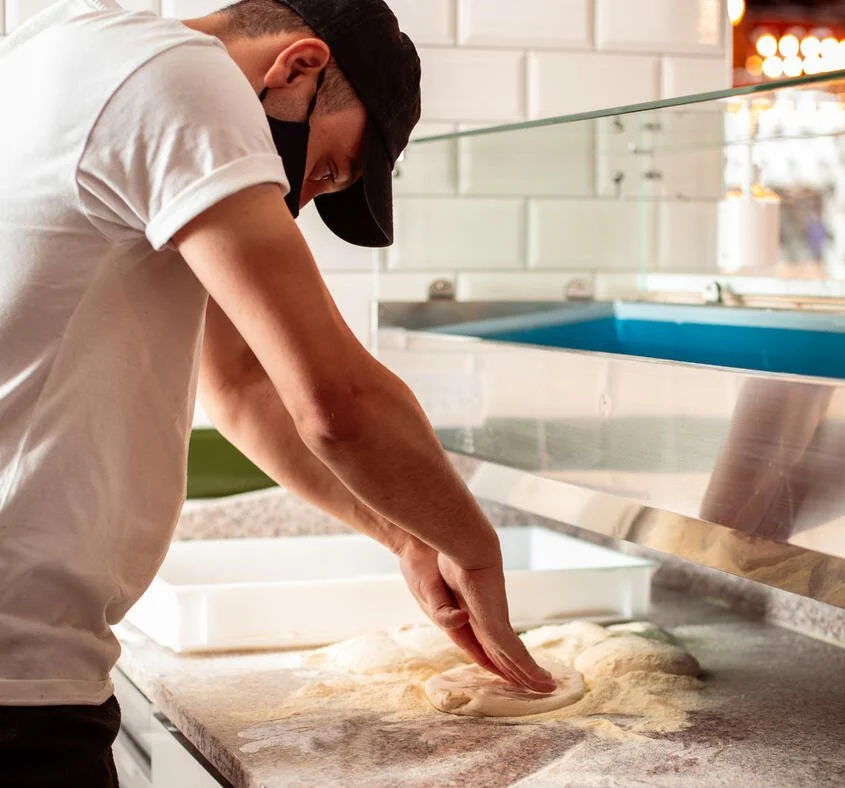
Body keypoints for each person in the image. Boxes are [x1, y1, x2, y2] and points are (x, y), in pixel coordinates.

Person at [0, 0, 555, 783]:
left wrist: (407, 534)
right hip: (15, 685)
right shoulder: (178, 79)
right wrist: (475, 549)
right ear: (299, 66)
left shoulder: (54, 50)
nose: (297, 202)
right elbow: (338, 402)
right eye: (327, 169)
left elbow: (243, 381)